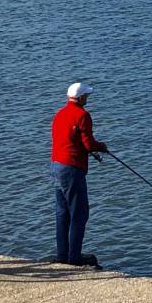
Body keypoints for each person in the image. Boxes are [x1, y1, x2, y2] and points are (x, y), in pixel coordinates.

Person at [50, 82, 108, 267]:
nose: (88, 98)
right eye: (87, 96)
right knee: (79, 214)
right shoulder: (83, 115)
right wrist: (101, 147)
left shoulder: (59, 114)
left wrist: (86, 149)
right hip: (72, 169)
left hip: (56, 166)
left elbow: (67, 140)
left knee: (62, 213)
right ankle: (74, 258)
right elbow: (88, 144)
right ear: (81, 97)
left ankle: (62, 255)